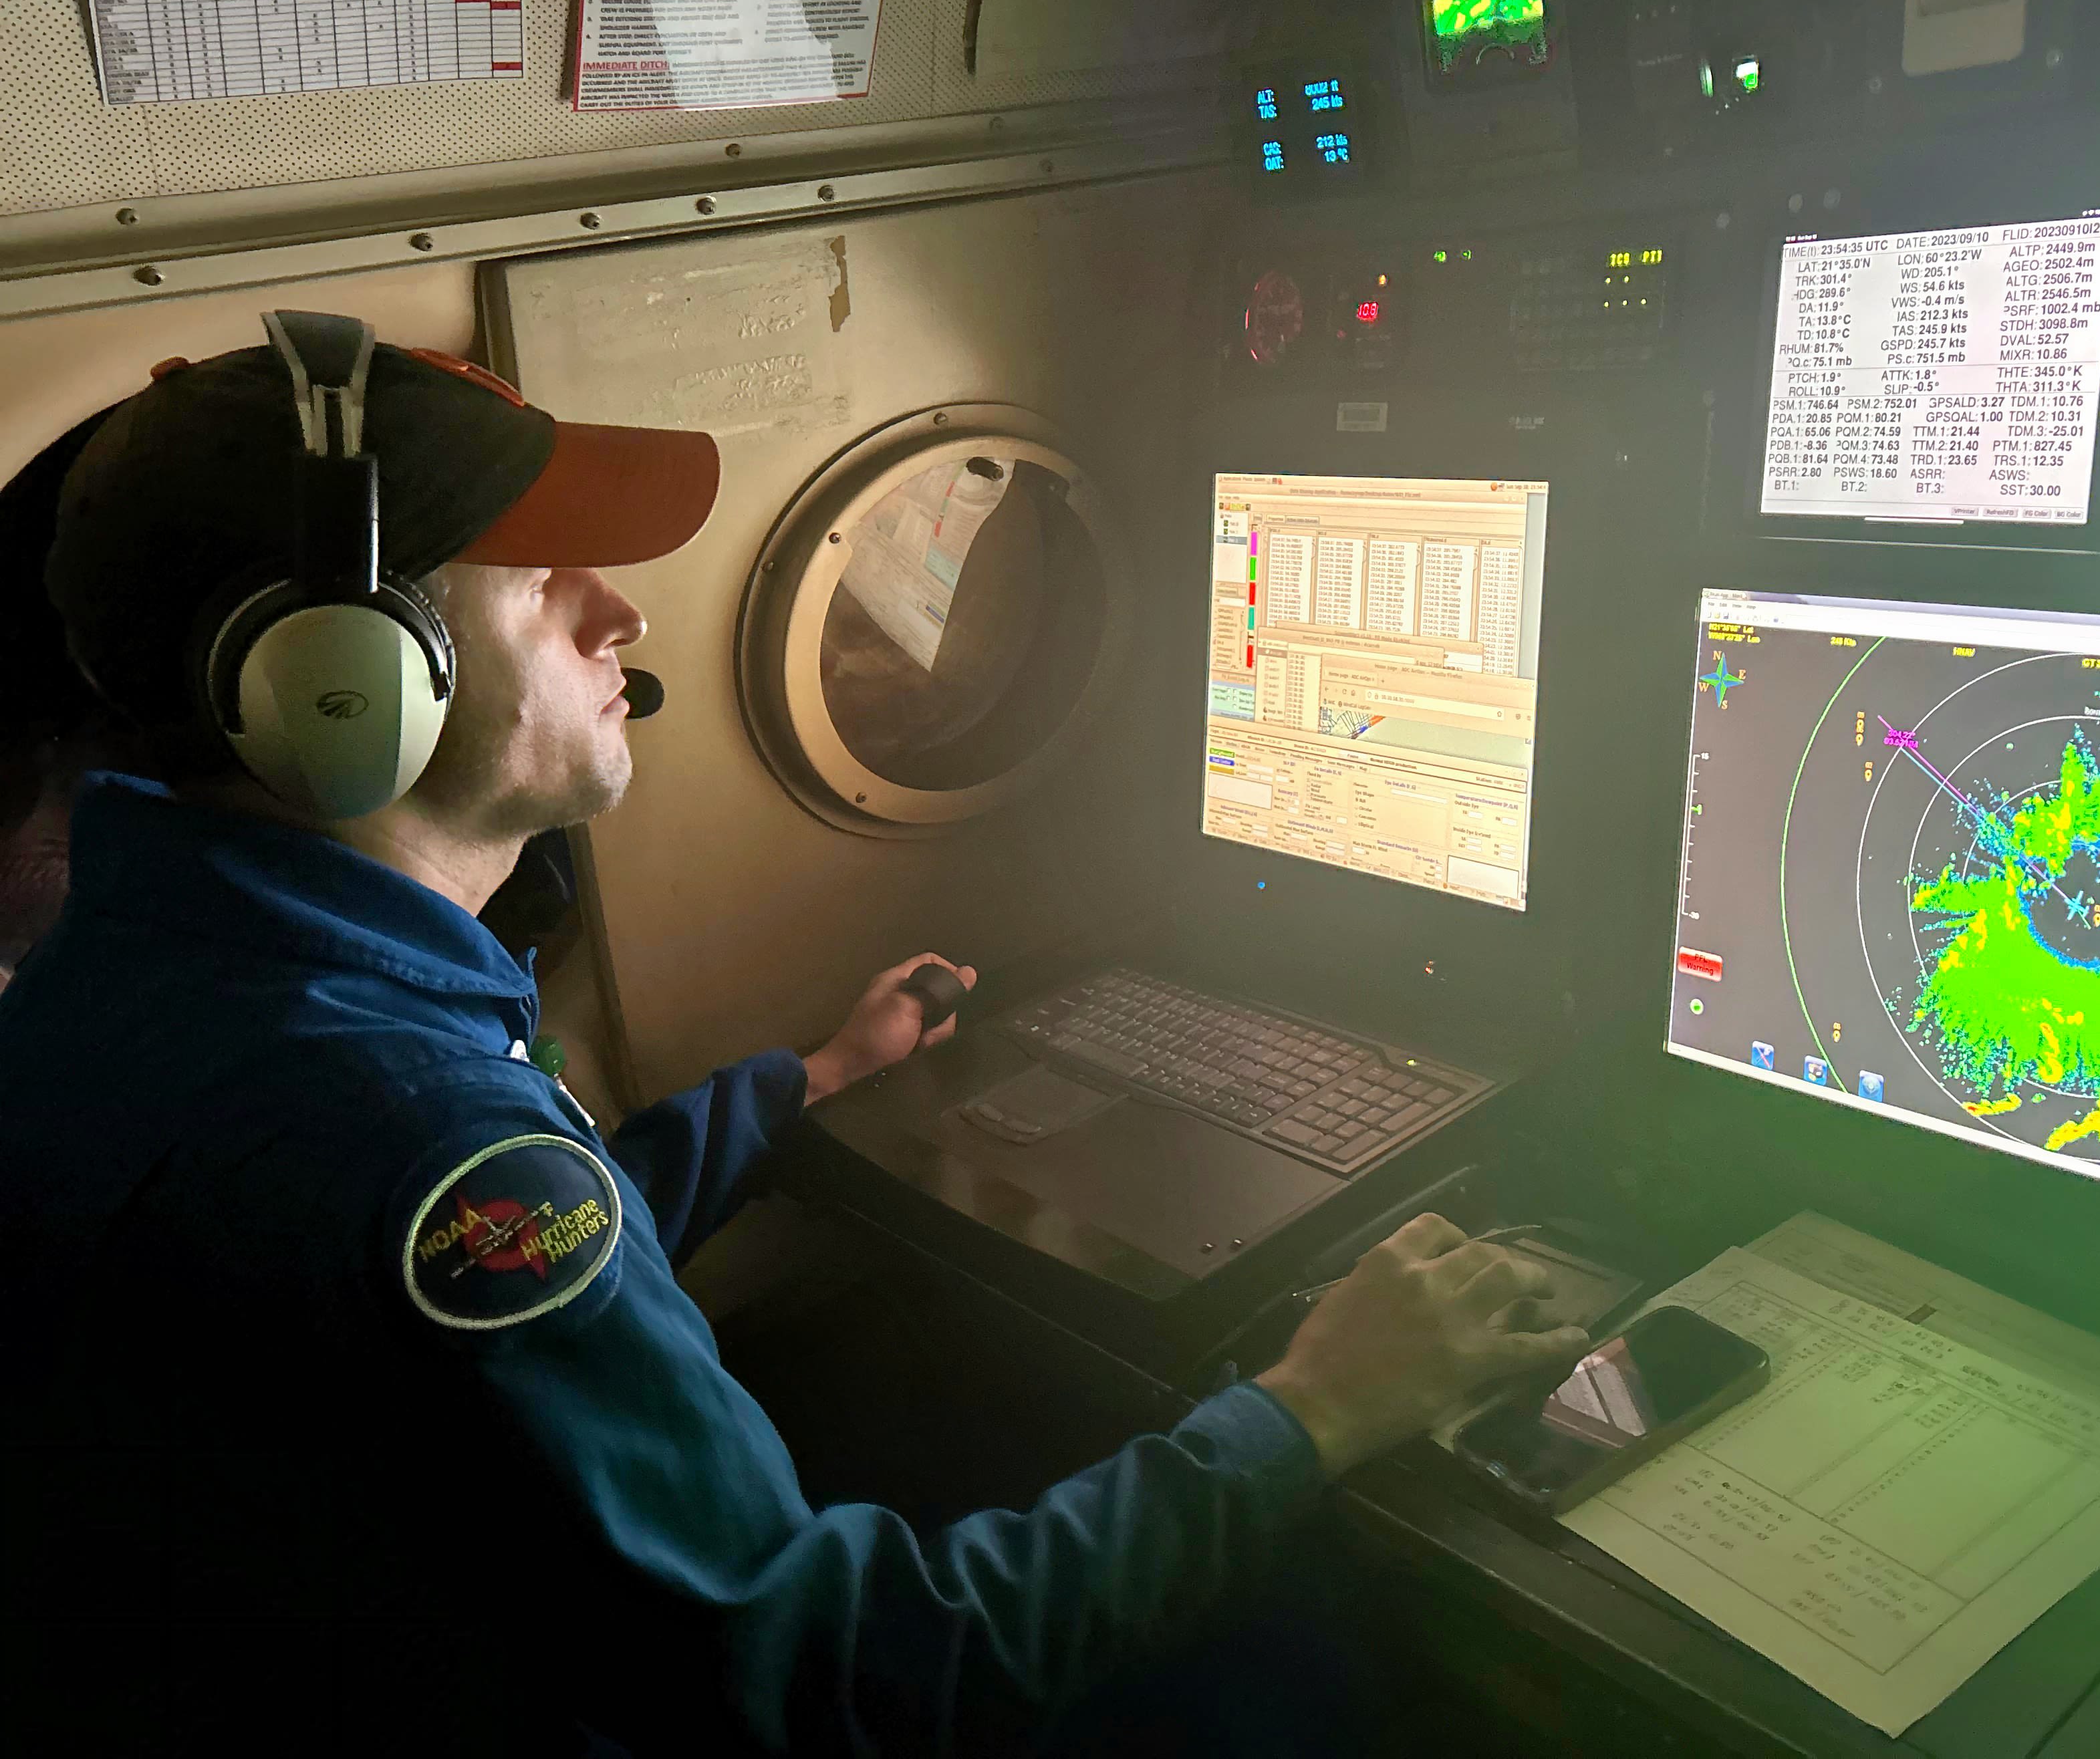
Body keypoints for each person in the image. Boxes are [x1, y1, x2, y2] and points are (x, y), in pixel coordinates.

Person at [0, 315, 1591, 1752]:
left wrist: (805, 1088)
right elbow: (842, 1672)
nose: (618, 611)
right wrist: (1316, 1405)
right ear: (338, 676)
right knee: (1318, 1671)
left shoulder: (148, 960)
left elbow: (469, 1268)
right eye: (540, 566)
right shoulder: (404, 1132)